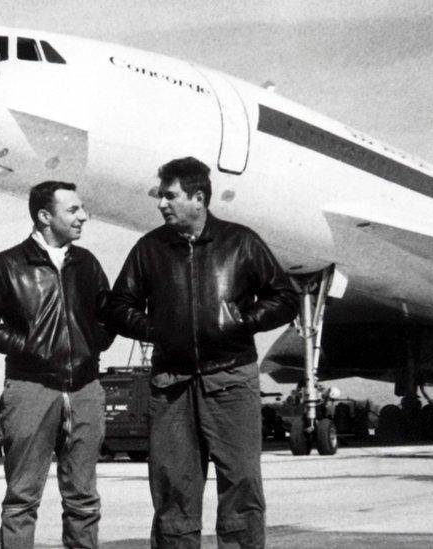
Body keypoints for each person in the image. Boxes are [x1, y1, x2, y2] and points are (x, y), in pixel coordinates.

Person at [105, 157, 298, 549]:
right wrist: (155, 329)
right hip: (172, 384)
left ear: (198, 197)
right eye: (161, 195)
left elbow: (285, 298)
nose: (161, 203)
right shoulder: (149, 248)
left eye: (169, 195)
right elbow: (118, 306)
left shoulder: (241, 242)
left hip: (231, 380)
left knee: (241, 484)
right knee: (173, 489)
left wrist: (245, 320)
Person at [0, 180, 114, 548]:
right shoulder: (7, 264)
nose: (84, 216)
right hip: (30, 389)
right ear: (45, 216)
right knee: (21, 500)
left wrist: (88, 347)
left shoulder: (87, 263)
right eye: (73, 210)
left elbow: (108, 316)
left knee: (83, 500)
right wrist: (29, 345)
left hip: (85, 390)